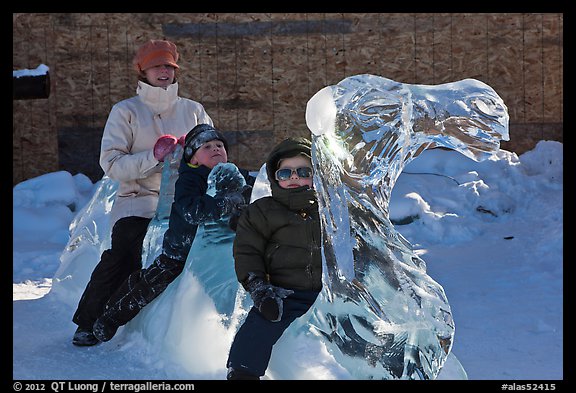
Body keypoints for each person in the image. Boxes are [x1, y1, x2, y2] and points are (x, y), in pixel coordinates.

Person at [72, 39, 214, 346]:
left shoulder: (194, 111)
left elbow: (212, 152)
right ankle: (89, 321)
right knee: (122, 253)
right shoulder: (125, 112)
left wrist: (193, 158)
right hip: (137, 202)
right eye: (155, 66)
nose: (163, 72)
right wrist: (154, 156)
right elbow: (111, 164)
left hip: (183, 203)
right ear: (142, 71)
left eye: (168, 66)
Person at [92, 123, 254, 342]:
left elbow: (254, 186)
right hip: (181, 248)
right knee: (152, 284)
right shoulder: (189, 180)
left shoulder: (232, 175)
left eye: (219, 145)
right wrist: (224, 202)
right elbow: (192, 211)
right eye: (206, 146)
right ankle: (112, 318)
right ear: (193, 159)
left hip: (214, 249)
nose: (216, 148)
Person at [225, 137, 322, 380]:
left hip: (328, 291)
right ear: (274, 177)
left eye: (303, 171)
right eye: (285, 173)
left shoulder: (328, 209)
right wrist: (260, 288)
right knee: (261, 325)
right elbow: (248, 251)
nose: (294, 178)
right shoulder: (262, 211)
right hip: (285, 292)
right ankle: (242, 372)